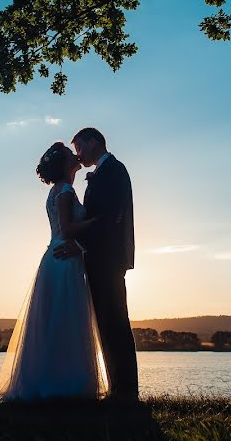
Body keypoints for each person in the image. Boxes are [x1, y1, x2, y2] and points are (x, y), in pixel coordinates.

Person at [0, 142, 109, 401]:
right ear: (66, 165)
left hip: (55, 257)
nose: (76, 155)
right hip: (64, 258)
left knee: (56, 320)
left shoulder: (57, 190)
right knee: (66, 319)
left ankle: (49, 378)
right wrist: (98, 221)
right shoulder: (65, 190)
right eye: (71, 155)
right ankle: (66, 383)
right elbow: (67, 229)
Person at [54, 128, 138, 400]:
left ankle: (126, 391)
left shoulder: (114, 170)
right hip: (98, 257)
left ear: (93, 142)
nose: (78, 154)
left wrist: (79, 245)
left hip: (109, 257)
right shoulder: (102, 173)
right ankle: (119, 390)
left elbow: (111, 217)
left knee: (115, 321)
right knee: (106, 322)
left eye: (79, 146)